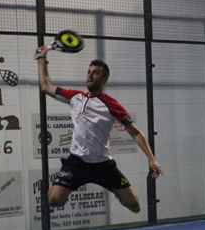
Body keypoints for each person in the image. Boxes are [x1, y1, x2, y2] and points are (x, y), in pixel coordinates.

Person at [36, 47, 162, 213]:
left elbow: (136, 133)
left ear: (103, 78)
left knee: (134, 205)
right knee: (54, 200)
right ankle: (64, 185)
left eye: (95, 73)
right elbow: (45, 86)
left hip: (103, 165)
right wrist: (41, 59)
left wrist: (152, 160)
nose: (89, 75)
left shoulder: (111, 104)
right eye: (89, 71)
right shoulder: (74, 97)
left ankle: (114, 188)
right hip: (76, 163)